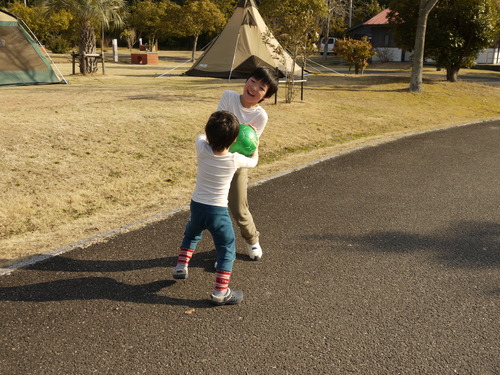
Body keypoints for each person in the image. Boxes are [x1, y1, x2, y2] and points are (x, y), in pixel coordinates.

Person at [172, 110, 259, 306]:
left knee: (191, 234)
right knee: (227, 248)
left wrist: (210, 131)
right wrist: (255, 143)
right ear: (235, 139)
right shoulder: (234, 159)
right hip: (218, 212)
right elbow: (254, 161)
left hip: (197, 206)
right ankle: (221, 292)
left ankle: (181, 266)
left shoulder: (201, 148)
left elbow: (202, 136)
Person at [217, 67, 279, 261]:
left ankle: (252, 239)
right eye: (252, 81)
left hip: (237, 164)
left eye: (261, 87)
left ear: (265, 97)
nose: (253, 87)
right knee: (212, 207)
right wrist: (239, 130)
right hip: (217, 157)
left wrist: (247, 136)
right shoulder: (228, 96)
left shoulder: (261, 116)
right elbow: (217, 125)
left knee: (238, 208)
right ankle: (221, 247)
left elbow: (249, 148)